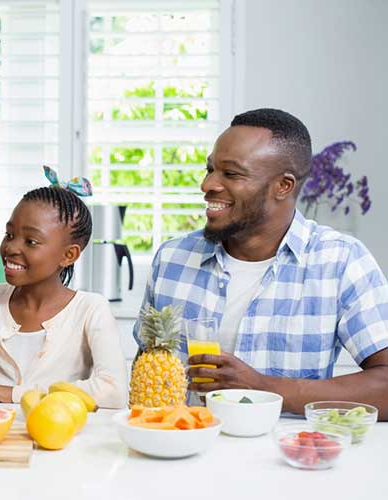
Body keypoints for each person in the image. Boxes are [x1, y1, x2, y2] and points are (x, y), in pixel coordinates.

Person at [136, 108, 388, 419]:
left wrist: (262, 386)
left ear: (283, 186)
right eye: (210, 169)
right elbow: (145, 375)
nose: (207, 185)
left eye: (231, 174)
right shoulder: (172, 259)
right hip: (183, 448)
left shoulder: (340, 261)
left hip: (286, 459)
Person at [0, 176, 128, 409]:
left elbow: (114, 392)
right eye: (9, 235)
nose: (11, 248)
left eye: (31, 241)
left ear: (68, 255)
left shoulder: (91, 309)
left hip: (63, 442)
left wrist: (13, 393)